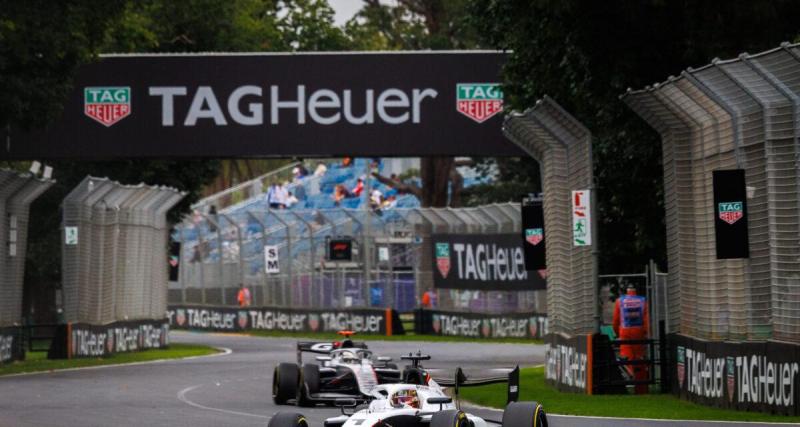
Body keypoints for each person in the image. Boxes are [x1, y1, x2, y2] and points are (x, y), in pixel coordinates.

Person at [612, 285, 650, 394]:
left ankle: (628, 383)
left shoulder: (620, 301)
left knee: (626, 358)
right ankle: (641, 389)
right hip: (638, 332)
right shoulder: (643, 300)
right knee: (639, 359)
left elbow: (615, 320)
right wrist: (645, 333)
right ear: (635, 291)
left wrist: (617, 333)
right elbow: (646, 320)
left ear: (627, 291)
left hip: (624, 332)